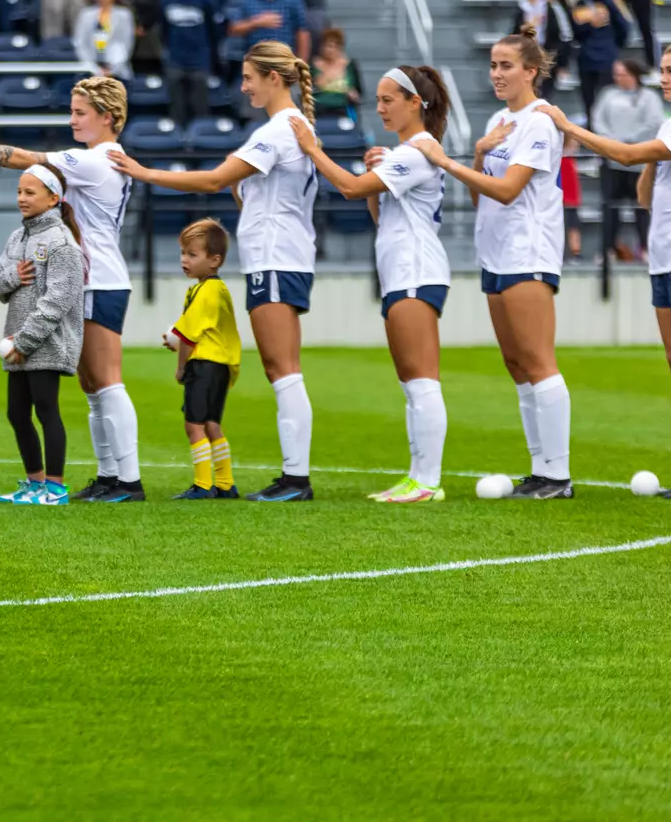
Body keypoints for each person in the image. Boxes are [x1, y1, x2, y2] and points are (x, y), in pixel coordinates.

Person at [109, 44, 320, 502]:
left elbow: (211, 181)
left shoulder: (280, 130)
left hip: (277, 258)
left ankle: (296, 479)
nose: (243, 87)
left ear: (274, 78)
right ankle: (293, 476)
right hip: (284, 256)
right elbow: (253, 195)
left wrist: (144, 172)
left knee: (282, 370)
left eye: (249, 78)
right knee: (280, 369)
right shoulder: (287, 129)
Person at [0, 78, 145, 502]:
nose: (72, 119)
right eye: (73, 110)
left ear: (108, 117)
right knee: (93, 385)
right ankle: (109, 476)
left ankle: (129, 480)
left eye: (80, 112)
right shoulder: (103, 158)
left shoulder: (95, 159)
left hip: (100, 280)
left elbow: (25, 158)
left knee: (106, 382)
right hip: (99, 277)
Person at [537, 42, 671, 497]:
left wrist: (570, 129)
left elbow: (625, 156)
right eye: (661, 70)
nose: (662, 78)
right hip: (667, 255)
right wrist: (649, 163)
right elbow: (644, 194)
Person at [406, 26, 572, 498]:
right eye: (494, 64)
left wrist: (447, 162)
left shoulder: (539, 121)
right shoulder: (502, 120)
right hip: (497, 251)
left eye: (506, 65)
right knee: (516, 363)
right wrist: (478, 154)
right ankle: (541, 468)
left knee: (538, 361)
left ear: (531, 72)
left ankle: (557, 475)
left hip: (528, 250)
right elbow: (485, 197)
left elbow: (508, 189)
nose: (496, 73)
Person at [298, 67, 459, 500]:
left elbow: (348, 187)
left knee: (421, 380)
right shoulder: (406, 152)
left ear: (415, 103)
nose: (381, 108)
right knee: (412, 381)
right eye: (379, 99)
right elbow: (378, 214)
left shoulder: (416, 150)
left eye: (389, 100)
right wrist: (377, 182)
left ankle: (426, 480)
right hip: (402, 271)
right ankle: (418, 476)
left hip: (415, 270)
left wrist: (313, 150)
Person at [0, 162, 86, 506]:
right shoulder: (17, 238)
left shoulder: (62, 243)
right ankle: (35, 485)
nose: (21, 198)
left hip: (46, 343)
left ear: (52, 198)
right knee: (17, 413)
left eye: (29, 192)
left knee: (46, 410)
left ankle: (56, 489)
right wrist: (15, 277)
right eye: (19, 191)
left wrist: (25, 342)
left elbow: (57, 301)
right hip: (18, 345)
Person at [161, 219, 242, 499]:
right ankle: (225, 483)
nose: (185, 260)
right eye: (183, 253)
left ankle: (203, 485)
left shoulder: (206, 291)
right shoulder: (210, 288)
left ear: (214, 260)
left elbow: (187, 336)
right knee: (211, 424)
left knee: (193, 425)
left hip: (204, 364)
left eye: (192, 255)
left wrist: (181, 366)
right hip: (219, 364)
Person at [591, 58, 659, 262]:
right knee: (610, 208)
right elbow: (597, 119)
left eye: (622, 74)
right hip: (612, 161)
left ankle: (647, 249)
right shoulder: (608, 95)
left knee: (642, 209)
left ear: (634, 75)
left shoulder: (648, 96)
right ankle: (607, 250)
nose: (618, 78)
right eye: (616, 74)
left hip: (638, 163)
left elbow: (654, 122)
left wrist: (630, 141)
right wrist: (612, 142)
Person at [159, 0, 221, 123]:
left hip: (199, 59)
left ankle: (200, 143)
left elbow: (214, 31)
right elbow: (163, 30)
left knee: (200, 106)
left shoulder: (206, 0)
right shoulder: (167, 0)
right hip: (175, 59)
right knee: (176, 108)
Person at [75, 0, 134, 78]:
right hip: (90, 71)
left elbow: (126, 44)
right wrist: (94, 69)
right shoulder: (86, 15)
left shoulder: (124, 15)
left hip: (118, 72)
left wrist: (113, 70)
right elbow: (80, 44)